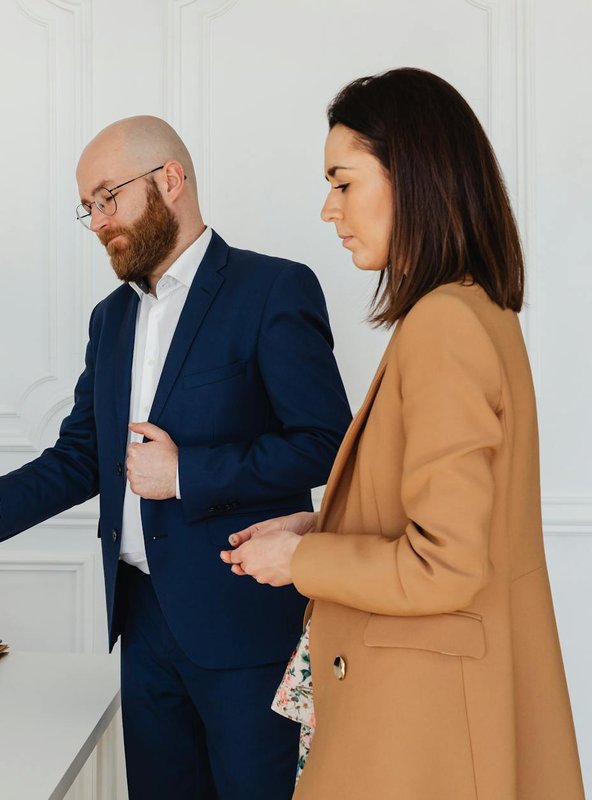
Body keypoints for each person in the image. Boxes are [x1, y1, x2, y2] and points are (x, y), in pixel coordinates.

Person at [0, 116, 352, 799]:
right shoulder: (111, 318)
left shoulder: (272, 290)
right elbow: (84, 453)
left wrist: (187, 473)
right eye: (87, 207)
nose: (97, 221)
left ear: (169, 181)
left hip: (244, 626)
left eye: (107, 197)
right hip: (142, 625)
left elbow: (327, 442)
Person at [222, 68, 584, 798]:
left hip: (422, 732)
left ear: (413, 176)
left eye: (343, 181)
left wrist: (304, 559)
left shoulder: (443, 325)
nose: (329, 209)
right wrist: (325, 524)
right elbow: (456, 519)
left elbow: (446, 565)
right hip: (438, 711)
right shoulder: (479, 311)